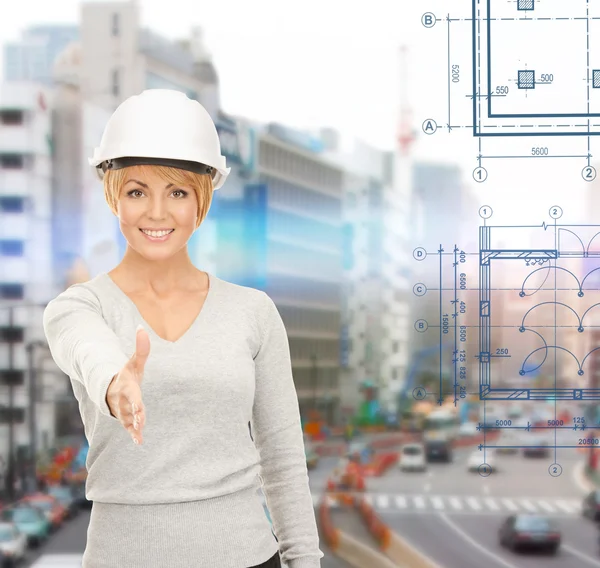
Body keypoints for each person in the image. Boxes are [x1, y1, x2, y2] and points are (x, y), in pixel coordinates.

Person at [42, 89, 324, 568]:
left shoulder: (253, 312)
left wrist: (305, 562)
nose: (156, 212)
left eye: (177, 191)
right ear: (114, 197)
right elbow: (87, 349)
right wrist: (115, 382)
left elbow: (282, 461)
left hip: (249, 558)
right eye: (137, 191)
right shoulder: (79, 307)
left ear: (203, 199)